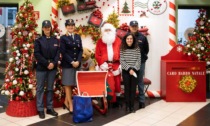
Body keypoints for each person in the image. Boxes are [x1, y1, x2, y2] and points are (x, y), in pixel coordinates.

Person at [34, 20, 59, 119]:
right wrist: (47, 63)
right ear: (42, 28)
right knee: (40, 89)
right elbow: (37, 54)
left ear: (51, 28)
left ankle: (49, 108)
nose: (47, 29)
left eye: (49, 27)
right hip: (41, 68)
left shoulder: (55, 40)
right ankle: (40, 109)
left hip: (52, 68)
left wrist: (53, 63)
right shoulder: (38, 40)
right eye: (45, 27)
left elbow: (58, 53)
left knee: (50, 88)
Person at [95, 23, 121, 107]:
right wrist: (102, 63)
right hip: (104, 65)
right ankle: (104, 99)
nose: (108, 32)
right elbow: (97, 54)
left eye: (109, 30)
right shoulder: (99, 41)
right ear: (103, 31)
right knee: (104, 83)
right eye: (106, 30)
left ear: (113, 31)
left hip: (115, 64)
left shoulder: (118, 40)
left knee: (116, 82)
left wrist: (120, 63)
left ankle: (115, 101)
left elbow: (122, 53)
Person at [60, 19, 83, 114]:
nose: (71, 27)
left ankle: (66, 101)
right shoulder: (63, 38)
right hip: (68, 65)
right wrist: (72, 62)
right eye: (69, 25)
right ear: (66, 27)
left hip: (77, 64)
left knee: (75, 83)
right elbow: (63, 52)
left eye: (72, 25)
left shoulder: (78, 37)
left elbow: (80, 50)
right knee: (68, 84)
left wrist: (78, 61)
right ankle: (70, 104)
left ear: (74, 26)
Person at [129, 20, 149, 109]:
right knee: (130, 82)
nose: (134, 27)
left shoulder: (143, 37)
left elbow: (146, 50)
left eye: (135, 26)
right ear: (130, 27)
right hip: (130, 63)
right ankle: (130, 101)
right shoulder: (126, 37)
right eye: (132, 26)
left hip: (141, 62)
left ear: (137, 27)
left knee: (140, 81)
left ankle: (141, 101)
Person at [120, 33, 141, 113]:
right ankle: (127, 106)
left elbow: (139, 60)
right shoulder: (122, 48)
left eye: (131, 39)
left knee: (133, 89)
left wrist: (134, 69)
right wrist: (129, 69)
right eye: (128, 39)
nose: (129, 40)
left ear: (133, 39)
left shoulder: (137, 48)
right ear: (125, 40)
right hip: (126, 71)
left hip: (135, 71)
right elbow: (122, 61)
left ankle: (132, 106)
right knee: (127, 89)